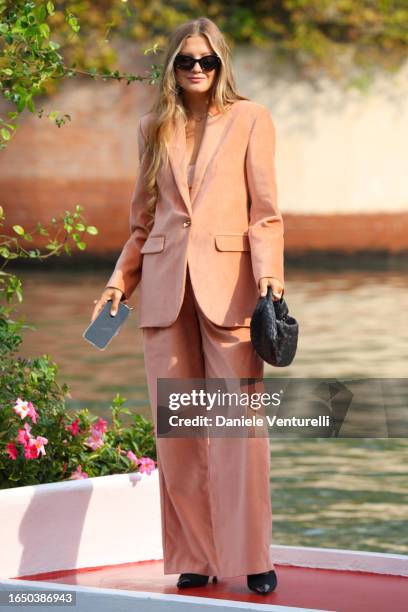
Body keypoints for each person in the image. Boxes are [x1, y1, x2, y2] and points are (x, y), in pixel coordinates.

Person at [91, 16, 284, 595]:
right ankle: (195, 555)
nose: (196, 70)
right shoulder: (153, 127)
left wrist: (271, 279)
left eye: (206, 61)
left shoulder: (252, 119)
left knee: (237, 430)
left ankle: (252, 556)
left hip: (232, 289)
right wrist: (117, 284)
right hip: (164, 288)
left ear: (221, 64)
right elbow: (141, 221)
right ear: (171, 67)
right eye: (185, 61)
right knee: (180, 434)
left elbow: (266, 212)